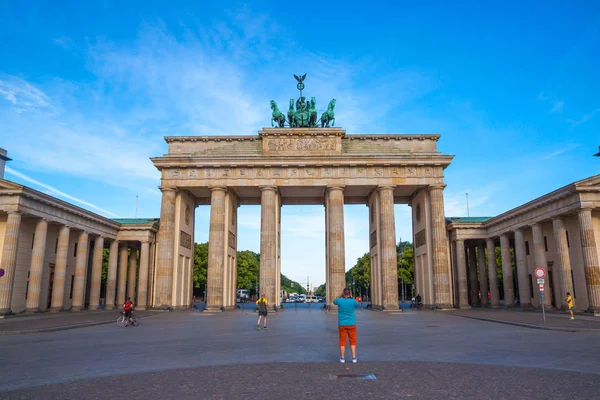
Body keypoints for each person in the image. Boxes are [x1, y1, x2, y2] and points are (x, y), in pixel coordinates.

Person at [333, 288, 359, 363]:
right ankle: (354, 358)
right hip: (351, 323)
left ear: (343, 293)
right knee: (353, 341)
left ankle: (342, 358)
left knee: (342, 341)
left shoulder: (340, 300)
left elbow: (334, 301)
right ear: (350, 294)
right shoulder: (352, 301)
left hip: (342, 324)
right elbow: (357, 304)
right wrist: (351, 297)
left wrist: (341, 295)